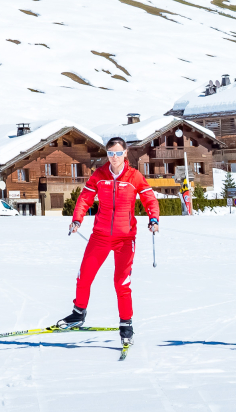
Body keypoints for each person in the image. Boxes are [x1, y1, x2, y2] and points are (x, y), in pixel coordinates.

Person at [52, 137, 159, 349]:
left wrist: (153, 218)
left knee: (121, 283)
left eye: (118, 153)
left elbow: (149, 199)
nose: (114, 158)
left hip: (125, 238)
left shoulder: (134, 176)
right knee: (84, 276)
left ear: (125, 153)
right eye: (111, 153)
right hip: (100, 236)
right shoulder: (99, 176)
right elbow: (84, 198)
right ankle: (78, 314)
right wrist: (77, 219)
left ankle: (126, 324)